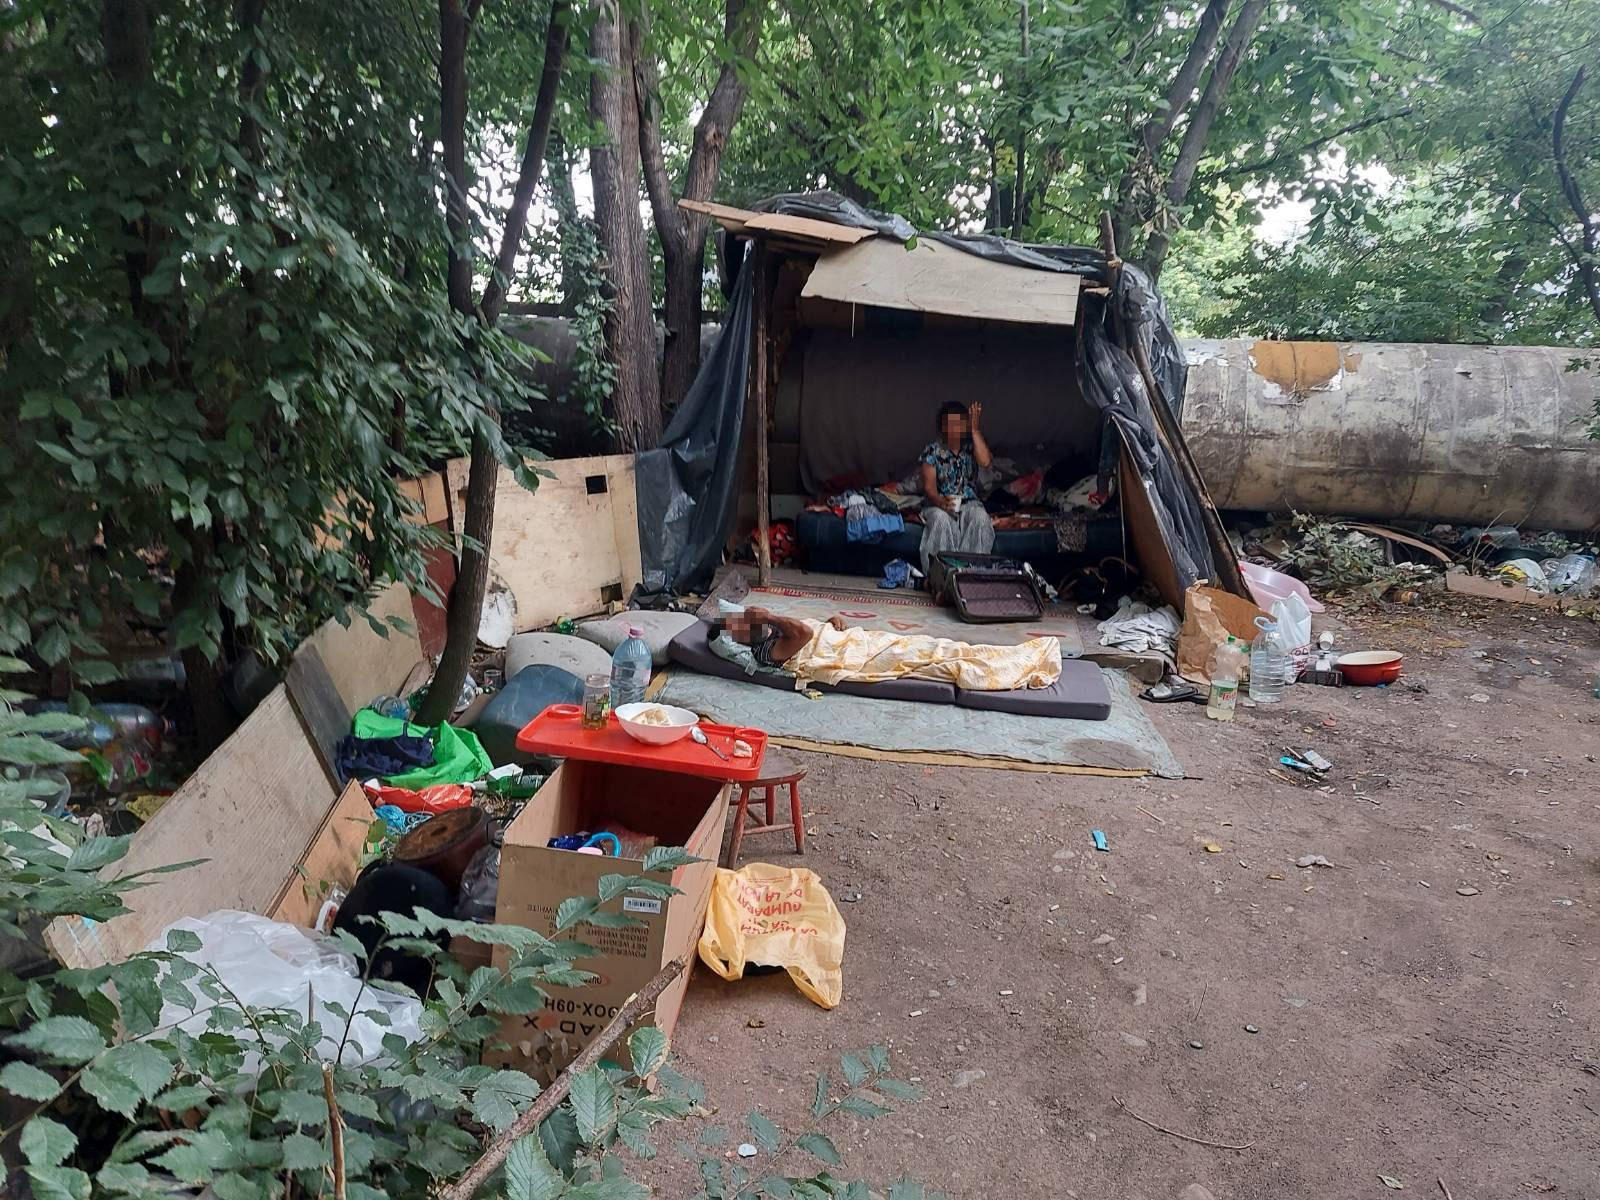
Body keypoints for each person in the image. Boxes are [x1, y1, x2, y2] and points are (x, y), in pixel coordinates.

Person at [918, 400, 994, 576]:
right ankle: (940, 577)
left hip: (969, 503)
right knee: (941, 519)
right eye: (949, 424)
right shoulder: (932, 451)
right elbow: (929, 488)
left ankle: (971, 576)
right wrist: (940, 502)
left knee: (980, 518)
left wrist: (974, 430)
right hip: (939, 504)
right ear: (942, 427)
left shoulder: (971, 447)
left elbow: (985, 462)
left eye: (958, 424)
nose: (953, 429)